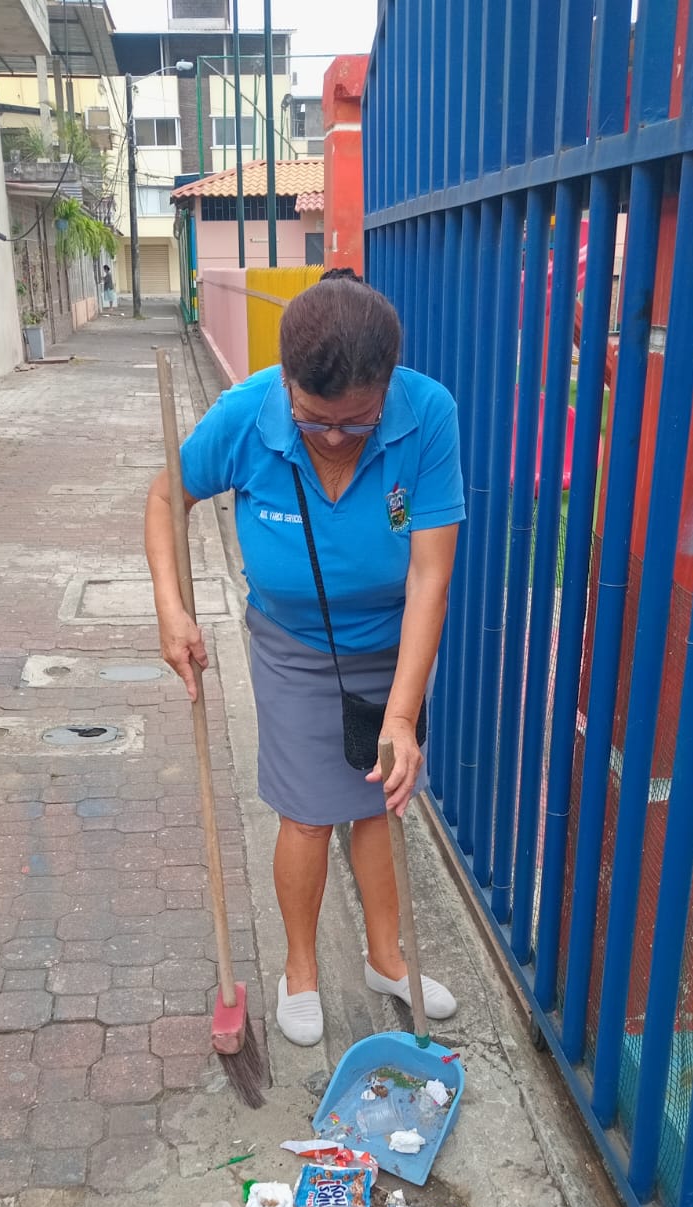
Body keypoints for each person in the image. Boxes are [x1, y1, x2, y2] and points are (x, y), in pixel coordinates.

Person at [144, 275, 463, 1046]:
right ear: (288, 382)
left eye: (358, 421)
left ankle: (386, 958)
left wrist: (400, 715)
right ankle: (300, 969)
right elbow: (163, 500)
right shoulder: (245, 418)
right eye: (316, 420)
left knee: (382, 802)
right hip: (292, 646)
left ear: (388, 385)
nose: (335, 438)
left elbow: (430, 576)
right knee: (309, 814)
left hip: (391, 644)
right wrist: (170, 610)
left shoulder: (427, 415)